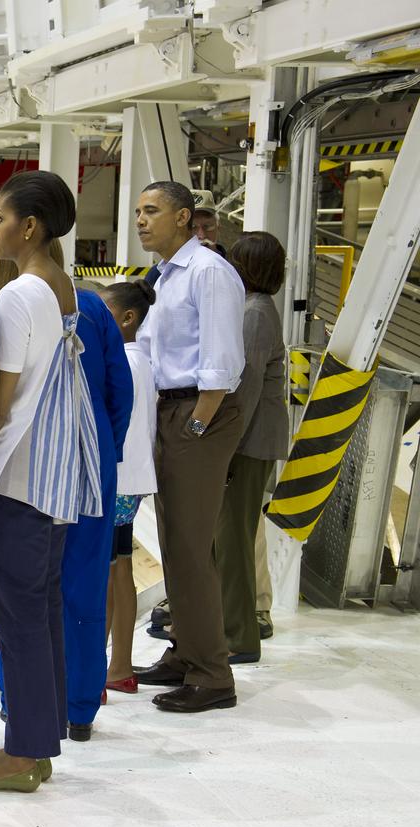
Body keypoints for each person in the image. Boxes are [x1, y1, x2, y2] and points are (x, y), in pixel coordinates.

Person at [0, 170, 102, 794]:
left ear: (29, 226)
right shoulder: (55, 284)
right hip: (54, 473)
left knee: (19, 620)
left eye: (0, 217)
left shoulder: (21, 297)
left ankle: (21, 755)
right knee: (39, 615)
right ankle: (37, 745)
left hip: (17, 476)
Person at [132, 181, 247, 713]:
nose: (141, 220)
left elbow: (221, 363)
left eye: (151, 211)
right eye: (138, 212)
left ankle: (212, 675)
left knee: (191, 548)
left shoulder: (207, 272)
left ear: (183, 218)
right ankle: (186, 652)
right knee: (176, 544)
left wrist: (195, 428)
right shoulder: (165, 276)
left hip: (199, 413)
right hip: (172, 412)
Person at [58, 284, 132, 742]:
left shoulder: (9, 302)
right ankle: (80, 709)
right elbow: (120, 390)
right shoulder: (90, 306)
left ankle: (21, 704)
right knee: (86, 584)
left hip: (25, 470)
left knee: (26, 594)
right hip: (91, 457)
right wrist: (106, 447)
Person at [215, 232, 289, 664]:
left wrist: (224, 445)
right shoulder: (255, 309)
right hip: (251, 439)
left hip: (249, 442)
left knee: (233, 539)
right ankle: (230, 627)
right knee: (230, 537)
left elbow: (247, 389)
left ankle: (239, 636)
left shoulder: (255, 314)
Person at [101, 281, 159, 695]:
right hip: (131, 480)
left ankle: (100, 667)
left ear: (127, 318)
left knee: (104, 575)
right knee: (119, 570)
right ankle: (117, 664)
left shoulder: (123, 360)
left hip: (117, 481)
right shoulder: (140, 360)